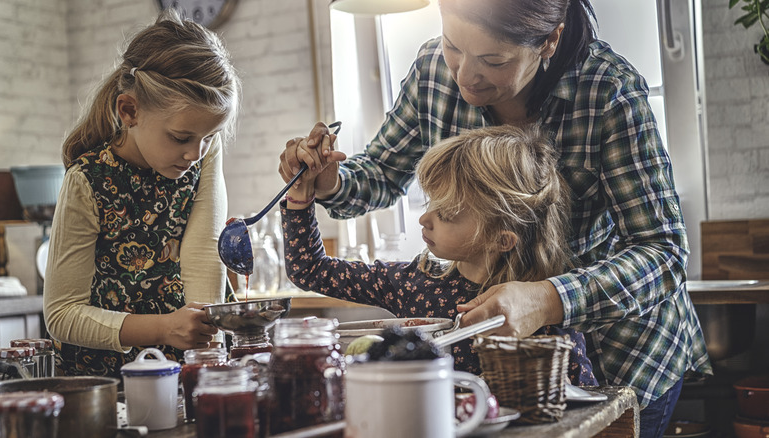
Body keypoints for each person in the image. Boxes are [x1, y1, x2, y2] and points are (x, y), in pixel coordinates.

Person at [280, 0, 712, 435]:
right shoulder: (432, 71)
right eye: (453, 46)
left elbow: (663, 252)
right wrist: (328, 182)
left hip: (624, 355)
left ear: (549, 41)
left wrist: (547, 299)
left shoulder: (607, 91)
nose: (464, 76)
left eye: (493, 60)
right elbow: (378, 174)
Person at [282, 124, 597, 386]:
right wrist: (301, 195)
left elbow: (584, 405)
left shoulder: (542, 311)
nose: (424, 218)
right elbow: (308, 269)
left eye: (446, 213)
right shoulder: (414, 283)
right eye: (430, 203)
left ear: (501, 239)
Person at [43, 10, 240, 378]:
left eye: (209, 137)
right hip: (107, 382)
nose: (195, 154)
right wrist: (164, 327)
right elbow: (62, 315)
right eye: (181, 138)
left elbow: (202, 259)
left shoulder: (199, 153)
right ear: (129, 110)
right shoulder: (87, 181)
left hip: (188, 369)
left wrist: (205, 358)